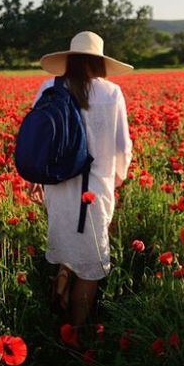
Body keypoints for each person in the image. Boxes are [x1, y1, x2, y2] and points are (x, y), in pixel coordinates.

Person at [31, 31, 133, 329]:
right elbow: (122, 147)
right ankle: (74, 334)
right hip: (95, 189)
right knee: (91, 266)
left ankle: (61, 281)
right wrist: (115, 180)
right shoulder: (111, 93)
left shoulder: (48, 87)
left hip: (58, 188)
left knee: (68, 238)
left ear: (70, 58)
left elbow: (38, 140)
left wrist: (36, 178)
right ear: (100, 62)